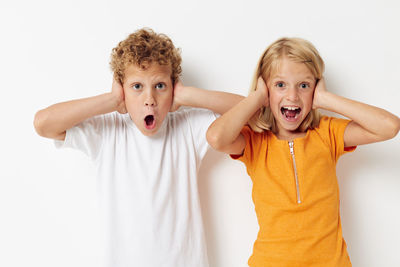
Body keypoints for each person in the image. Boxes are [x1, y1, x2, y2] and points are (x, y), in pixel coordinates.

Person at [33, 28, 243, 267]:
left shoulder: (188, 128)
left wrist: (186, 95)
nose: (149, 99)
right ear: (122, 89)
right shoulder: (107, 133)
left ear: (173, 87)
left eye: (160, 86)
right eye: (136, 87)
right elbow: (43, 124)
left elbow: (248, 110)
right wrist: (112, 101)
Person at [206, 37, 400, 267]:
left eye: (304, 85)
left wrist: (326, 99)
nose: (292, 96)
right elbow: (216, 137)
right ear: (265, 89)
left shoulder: (328, 134)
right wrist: (257, 99)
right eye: (280, 85)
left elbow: (389, 126)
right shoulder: (255, 143)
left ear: (316, 88)